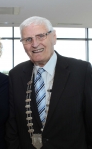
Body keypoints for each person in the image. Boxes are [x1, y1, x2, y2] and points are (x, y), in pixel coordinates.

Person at [6, 16, 92, 149]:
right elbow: (12, 124)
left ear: (54, 37)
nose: (35, 44)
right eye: (28, 39)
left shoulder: (81, 71)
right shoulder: (15, 75)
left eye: (41, 36)